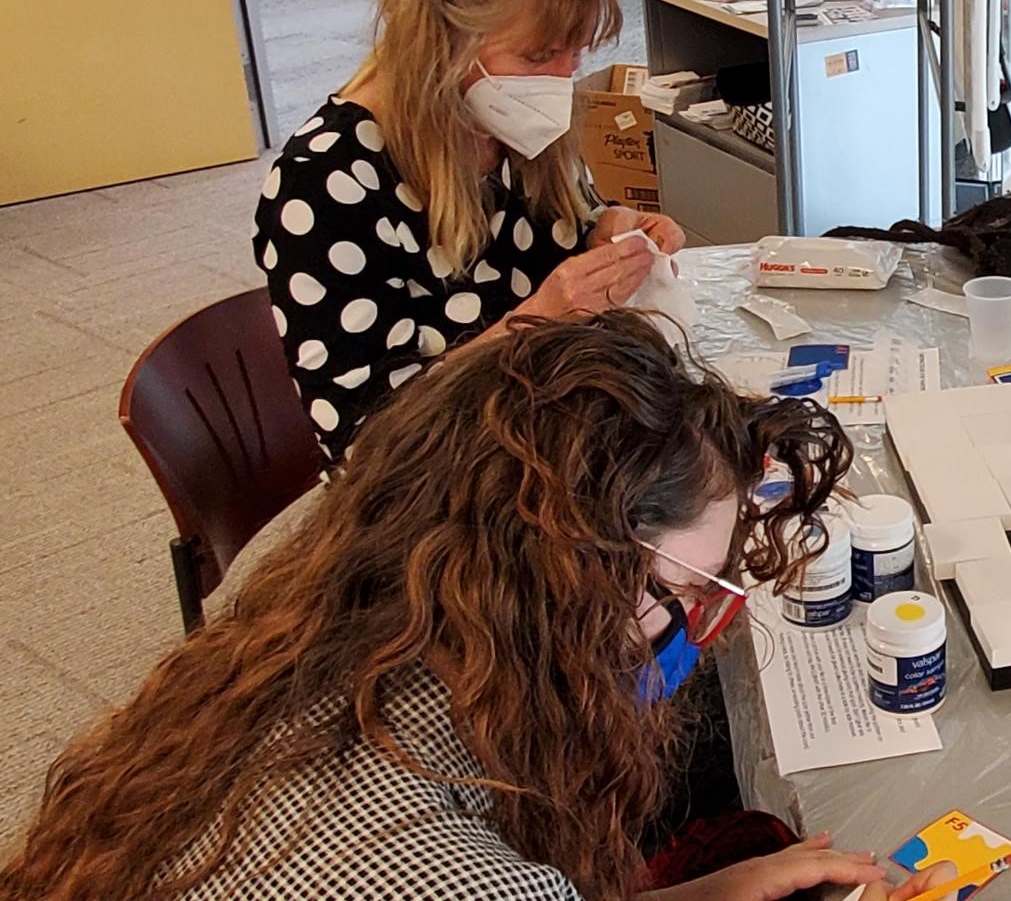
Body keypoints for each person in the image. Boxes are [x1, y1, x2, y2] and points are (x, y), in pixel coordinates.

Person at [0, 314, 945, 901]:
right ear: (562, 574)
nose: (692, 636)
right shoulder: (423, 855)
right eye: (684, 594)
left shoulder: (333, 657)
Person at [252, 0, 685, 462]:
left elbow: (564, 233)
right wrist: (538, 319)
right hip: (439, 480)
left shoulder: (505, 122)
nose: (562, 78)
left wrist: (611, 227)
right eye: (537, 57)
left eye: (577, 52)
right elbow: (367, 438)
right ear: (440, 40)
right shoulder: (329, 178)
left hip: (543, 427)